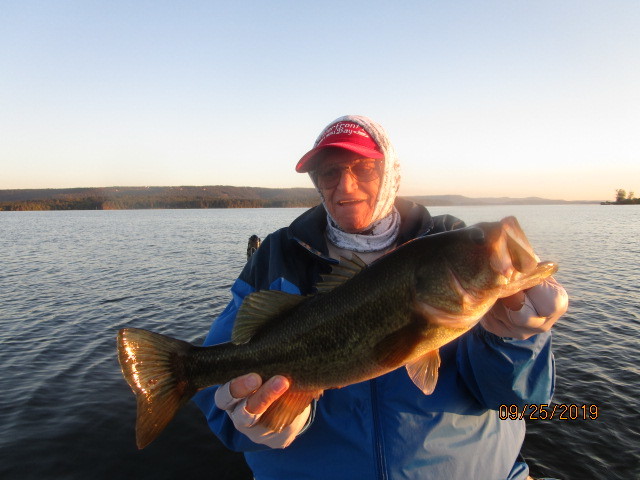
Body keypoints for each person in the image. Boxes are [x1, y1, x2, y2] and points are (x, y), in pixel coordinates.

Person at [194, 115, 568, 479]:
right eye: (330, 172)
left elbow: (519, 403)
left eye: (364, 168)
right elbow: (217, 403)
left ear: (391, 172)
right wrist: (253, 423)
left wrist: (515, 341)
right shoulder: (276, 257)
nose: (346, 186)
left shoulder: (446, 242)